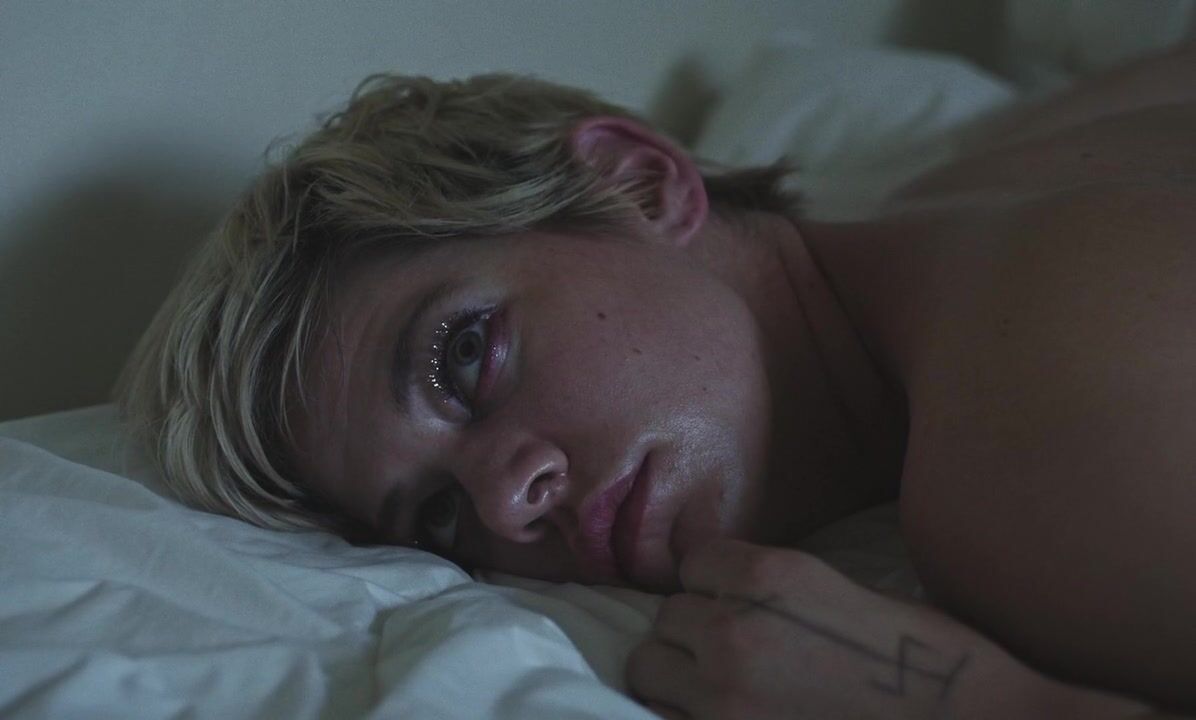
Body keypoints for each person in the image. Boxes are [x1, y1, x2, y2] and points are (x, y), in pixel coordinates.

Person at [118, 39, 1196, 719]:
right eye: (438, 515)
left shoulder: (1028, 457)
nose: (505, 504)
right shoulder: (984, 175)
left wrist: (972, 704)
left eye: (464, 357)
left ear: (637, 183)